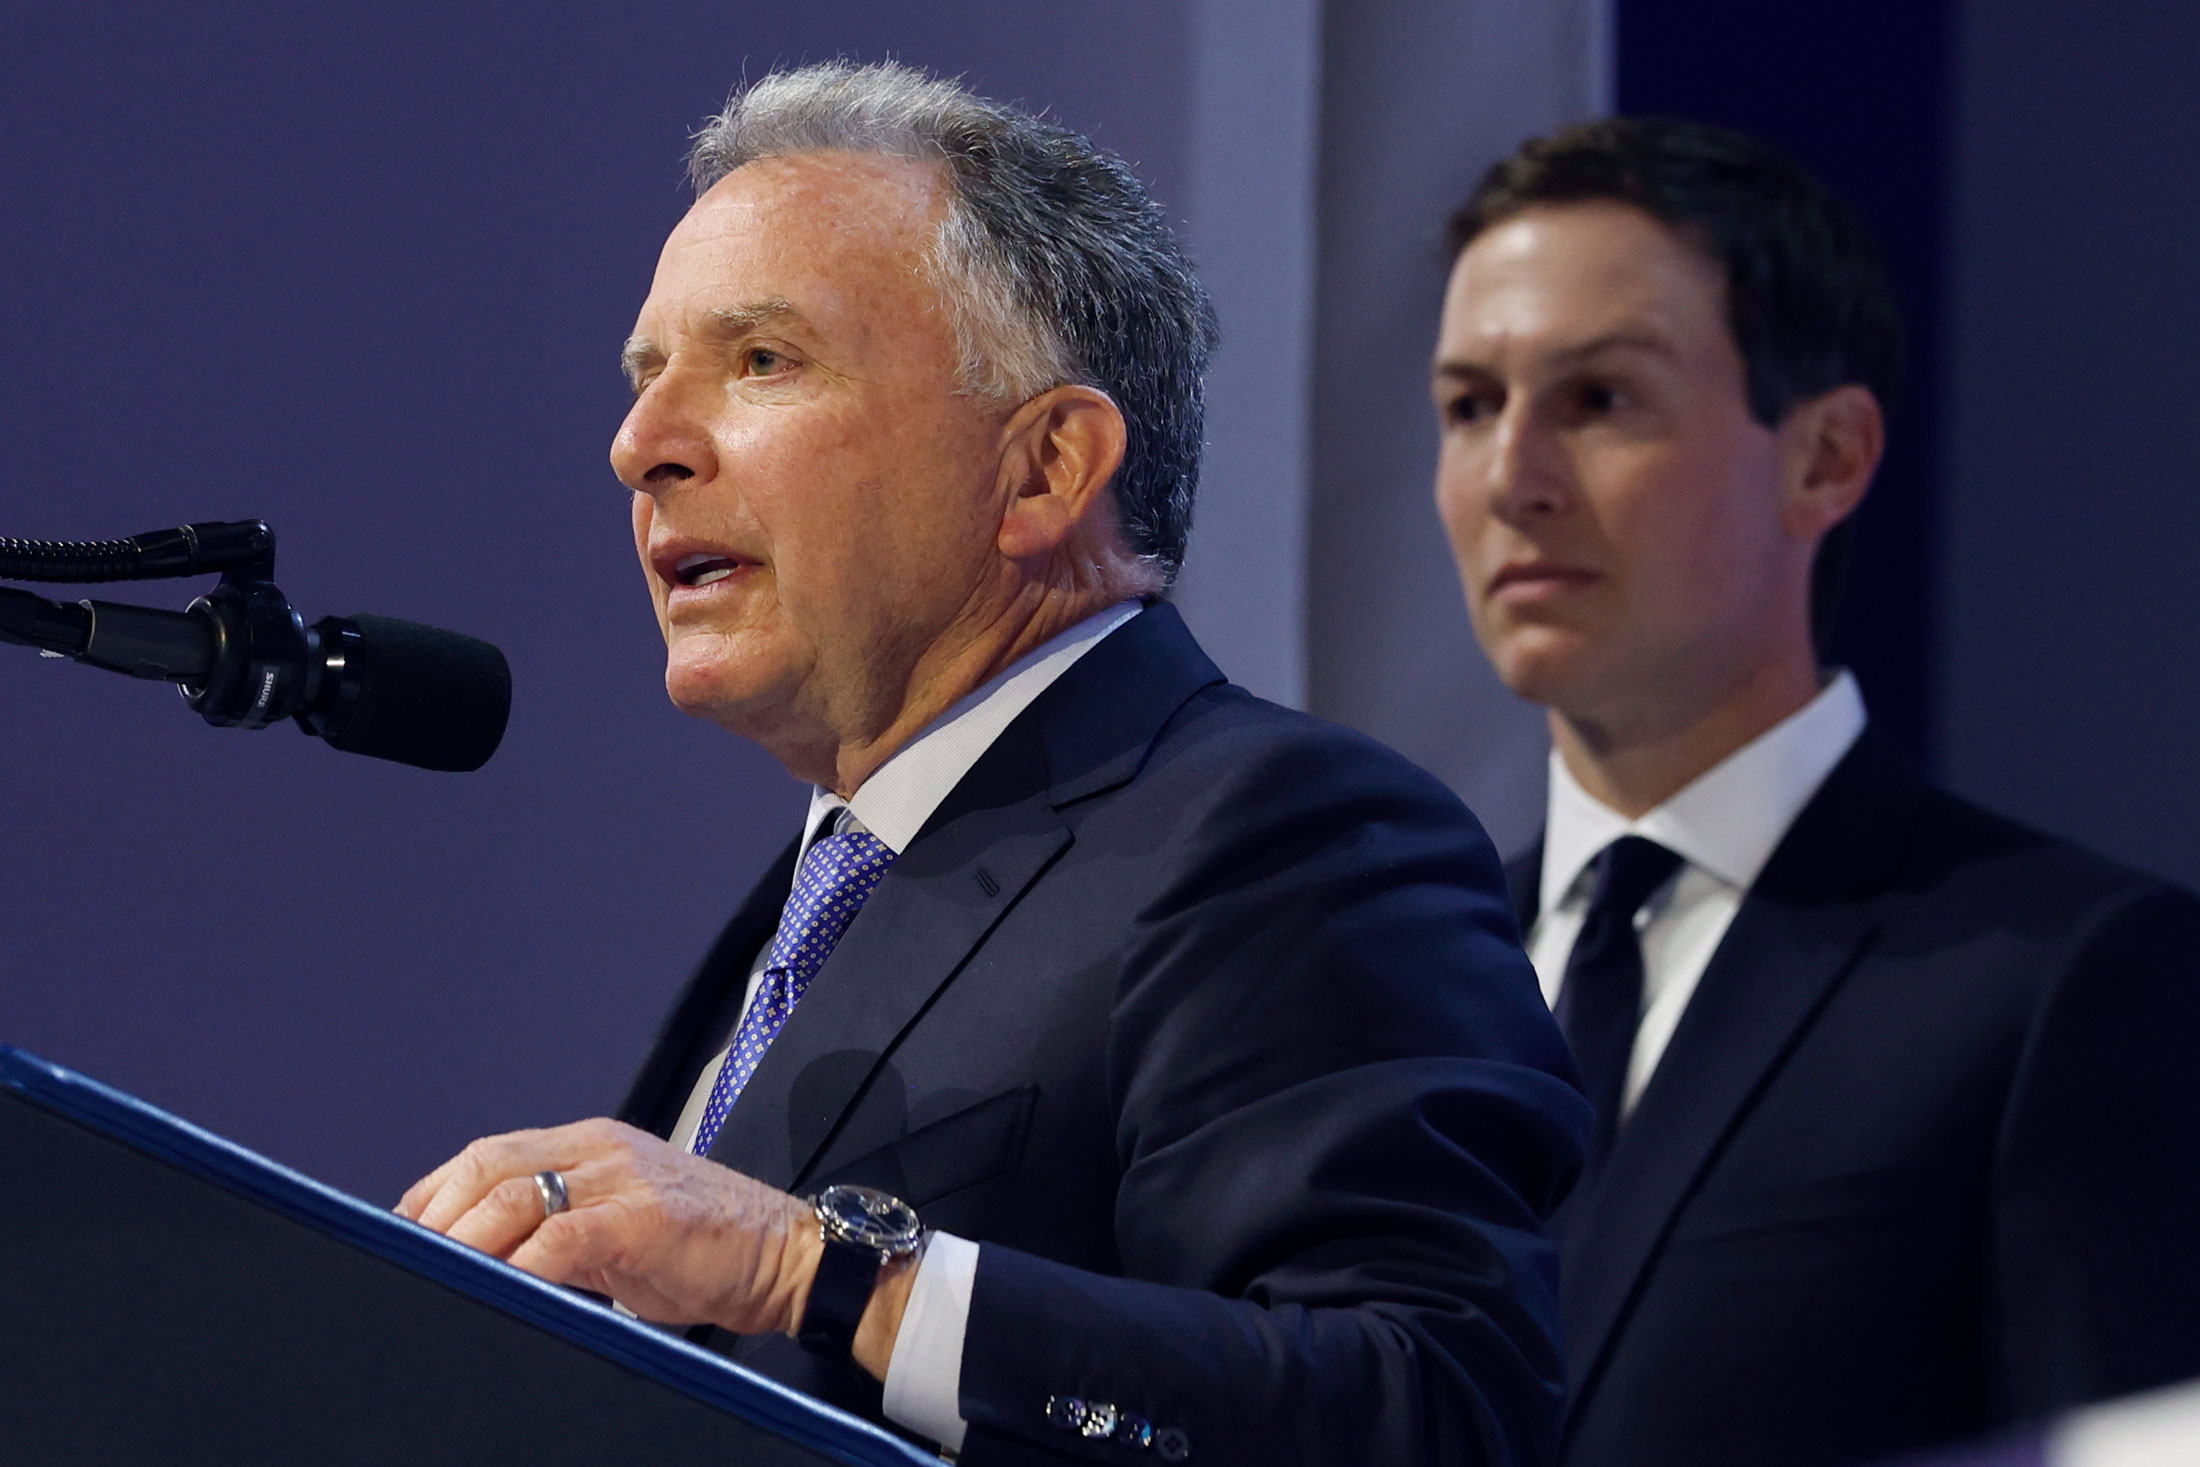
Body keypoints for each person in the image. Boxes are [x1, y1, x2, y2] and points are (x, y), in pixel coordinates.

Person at [399, 62, 1588, 1466]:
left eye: (762, 360)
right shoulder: (829, 893)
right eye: (647, 378)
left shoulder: (1284, 837)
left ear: (1045, 469)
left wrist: (825, 1275)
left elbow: (1434, 1410)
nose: (639, 446)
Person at [1430, 116, 2200, 1467]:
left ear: (1828, 458)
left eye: (1600, 399)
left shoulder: (2068, 977)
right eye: (1469, 406)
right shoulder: (1395, 987)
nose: (1511, 479)